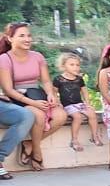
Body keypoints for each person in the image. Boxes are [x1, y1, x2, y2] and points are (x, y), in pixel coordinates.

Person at [0, 22, 66, 171]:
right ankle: (37, 151)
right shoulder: (4, 59)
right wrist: (33, 103)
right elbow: (8, 90)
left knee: (61, 115)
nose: (27, 39)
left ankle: (30, 144)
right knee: (38, 116)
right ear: (10, 39)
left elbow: (46, 81)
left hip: (37, 94)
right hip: (18, 98)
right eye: (22, 36)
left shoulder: (37, 56)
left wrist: (50, 94)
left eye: (29, 35)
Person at [55, 53, 103, 152]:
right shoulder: (59, 79)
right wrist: (57, 104)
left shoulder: (79, 79)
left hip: (79, 104)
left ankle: (94, 136)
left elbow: (84, 91)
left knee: (92, 114)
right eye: (72, 65)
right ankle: (74, 140)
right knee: (77, 117)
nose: (76, 67)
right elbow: (53, 92)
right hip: (67, 105)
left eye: (77, 65)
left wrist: (88, 104)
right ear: (64, 66)